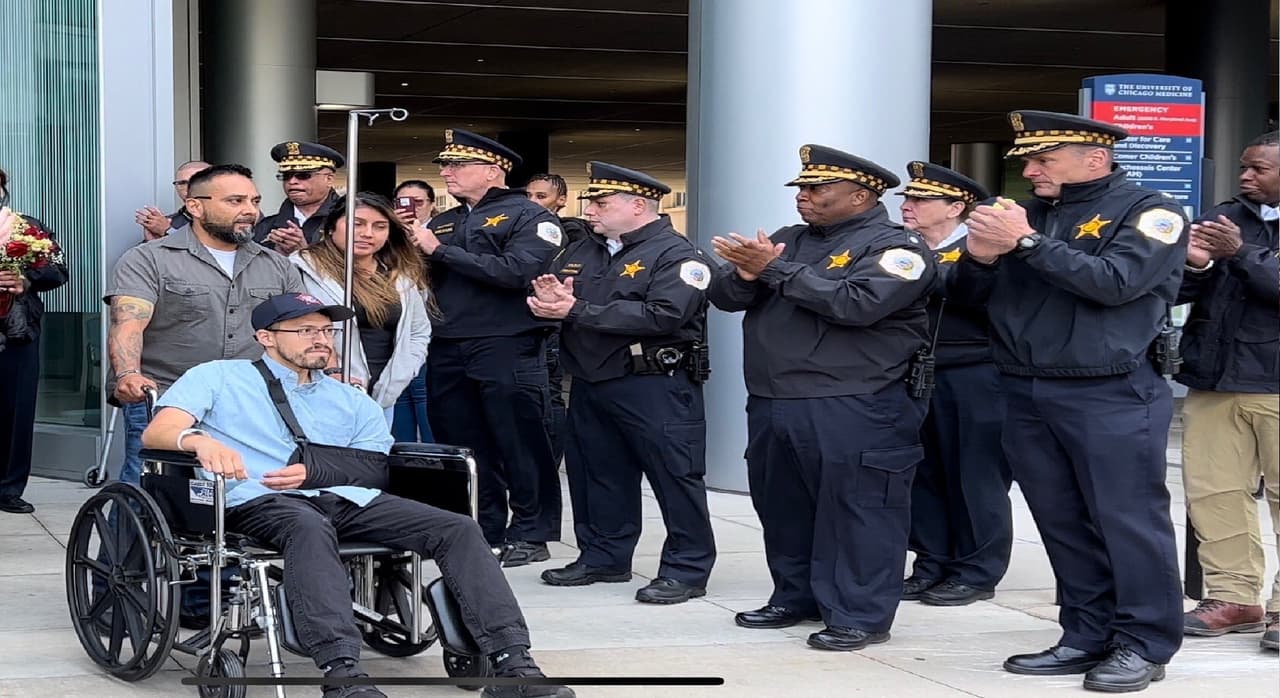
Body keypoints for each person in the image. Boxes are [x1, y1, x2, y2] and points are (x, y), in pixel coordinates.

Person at [141, 292, 573, 698]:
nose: (320, 339)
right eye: (305, 330)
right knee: (307, 527)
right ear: (266, 338)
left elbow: (372, 465)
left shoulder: (349, 398)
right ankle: (342, 671)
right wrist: (197, 441)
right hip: (258, 499)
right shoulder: (219, 376)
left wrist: (319, 472)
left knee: (456, 528)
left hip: (346, 499)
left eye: (326, 330)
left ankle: (512, 662)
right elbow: (158, 431)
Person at [950, 110, 1187, 692]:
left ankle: (1143, 642)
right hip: (1026, 386)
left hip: (1109, 389)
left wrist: (1026, 244)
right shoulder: (1025, 215)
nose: (1030, 171)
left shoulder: (1150, 212)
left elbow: (1115, 283)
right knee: (1061, 520)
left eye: (1043, 160)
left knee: (1127, 521)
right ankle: (1085, 632)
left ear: (1095, 158)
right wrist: (980, 257)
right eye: (1028, 161)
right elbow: (968, 301)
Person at [707, 145, 935, 651]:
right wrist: (745, 273)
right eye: (801, 188)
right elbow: (723, 297)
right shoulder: (789, 239)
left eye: (817, 189)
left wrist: (774, 270)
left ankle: (860, 614)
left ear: (861, 196)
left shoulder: (897, 248)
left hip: (854, 400)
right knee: (784, 506)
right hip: (775, 396)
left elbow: (859, 303)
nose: (803, 197)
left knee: (860, 509)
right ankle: (796, 596)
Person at [528, 162, 717, 604]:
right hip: (593, 380)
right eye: (590, 202)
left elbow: (665, 315)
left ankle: (686, 569)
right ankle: (603, 557)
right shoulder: (582, 250)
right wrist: (551, 302)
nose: (589, 210)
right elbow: (564, 300)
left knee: (675, 477)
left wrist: (575, 310)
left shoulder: (676, 254)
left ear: (638, 206)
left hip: (654, 384)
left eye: (601, 203)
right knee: (598, 474)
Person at [410, 129, 564, 566]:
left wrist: (440, 251)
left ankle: (532, 531)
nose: (447, 172)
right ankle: (482, 527)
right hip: (449, 343)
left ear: (493, 171)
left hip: (506, 342)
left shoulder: (530, 217)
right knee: (464, 444)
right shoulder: (444, 221)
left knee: (519, 440)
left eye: (458, 165)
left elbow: (517, 271)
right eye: (446, 165)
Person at [105, 163, 306, 488]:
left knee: (245, 489)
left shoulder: (277, 266)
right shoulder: (148, 259)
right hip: (168, 395)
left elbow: (301, 330)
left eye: (254, 201)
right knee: (147, 489)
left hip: (251, 401)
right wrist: (128, 374)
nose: (250, 211)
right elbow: (128, 323)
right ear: (195, 206)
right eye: (235, 201)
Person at [1176, 130, 1279, 651]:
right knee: (1213, 492)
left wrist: (1239, 253)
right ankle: (1233, 595)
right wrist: (1194, 264)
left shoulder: (1234, 237)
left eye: (1258, 168)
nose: (1245, 177)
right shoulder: (1223, 218)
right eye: (1243, 166)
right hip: (1214, 377)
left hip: (1275, 382)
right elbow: (1173, 289)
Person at [896, 162, 1013, 606]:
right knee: (924, 474)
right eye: (907, 199)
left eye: (920, 199)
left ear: (955, 208)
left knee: (975, 476)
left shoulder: (983, 247)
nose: (907, 206)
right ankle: (931, 562)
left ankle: (977, 570)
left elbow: (979, 297)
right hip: (917, 373)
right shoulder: (903, 246)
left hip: (975, 374)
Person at [289, 192, 432, 424]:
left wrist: (403, 372)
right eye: (357, 224)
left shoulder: (398, 274)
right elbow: (293, 329)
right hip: (323, 392)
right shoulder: (303, 269)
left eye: (379, 226)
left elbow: (418, 330)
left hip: (383, 396)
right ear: (332, 227)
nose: (367, 233)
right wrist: (328, 373)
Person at [0, 171, 70, 514]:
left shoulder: (26, 227)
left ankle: (8, 488)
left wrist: (25, 279)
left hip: (16, 329)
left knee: (16, 409)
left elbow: (58, 271)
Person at [524, 172, 590, 468]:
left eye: (541, 196)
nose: (533, 202)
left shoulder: (571, 235)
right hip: (527, 319)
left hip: (554, 324)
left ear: (561, 200)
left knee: (549, 394)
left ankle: (550, 462)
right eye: (529, 195)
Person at [389, 179, 439, 443]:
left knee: (424, 396)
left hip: (431, 327)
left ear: (431, 204)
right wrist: (394, 232)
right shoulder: (385, 234)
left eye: (418, 202)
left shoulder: (441, 232)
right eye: (403, 202)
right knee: (398, 396)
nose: (411, 208)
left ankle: (434, 458)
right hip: (395, 329)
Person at [253, 141, 345, 255]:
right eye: (286, 176)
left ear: (329, 179)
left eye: (303, 175)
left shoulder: (351, 221)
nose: (292, 181)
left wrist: (303, 254)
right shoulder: (264, 227)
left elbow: (357, 264)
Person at [135, 160, 211, 241]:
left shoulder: (221, 219)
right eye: (182, 183)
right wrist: (153, 244)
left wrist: (168, 231)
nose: (189, 188)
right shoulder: (168, 222)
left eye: (197, 182)